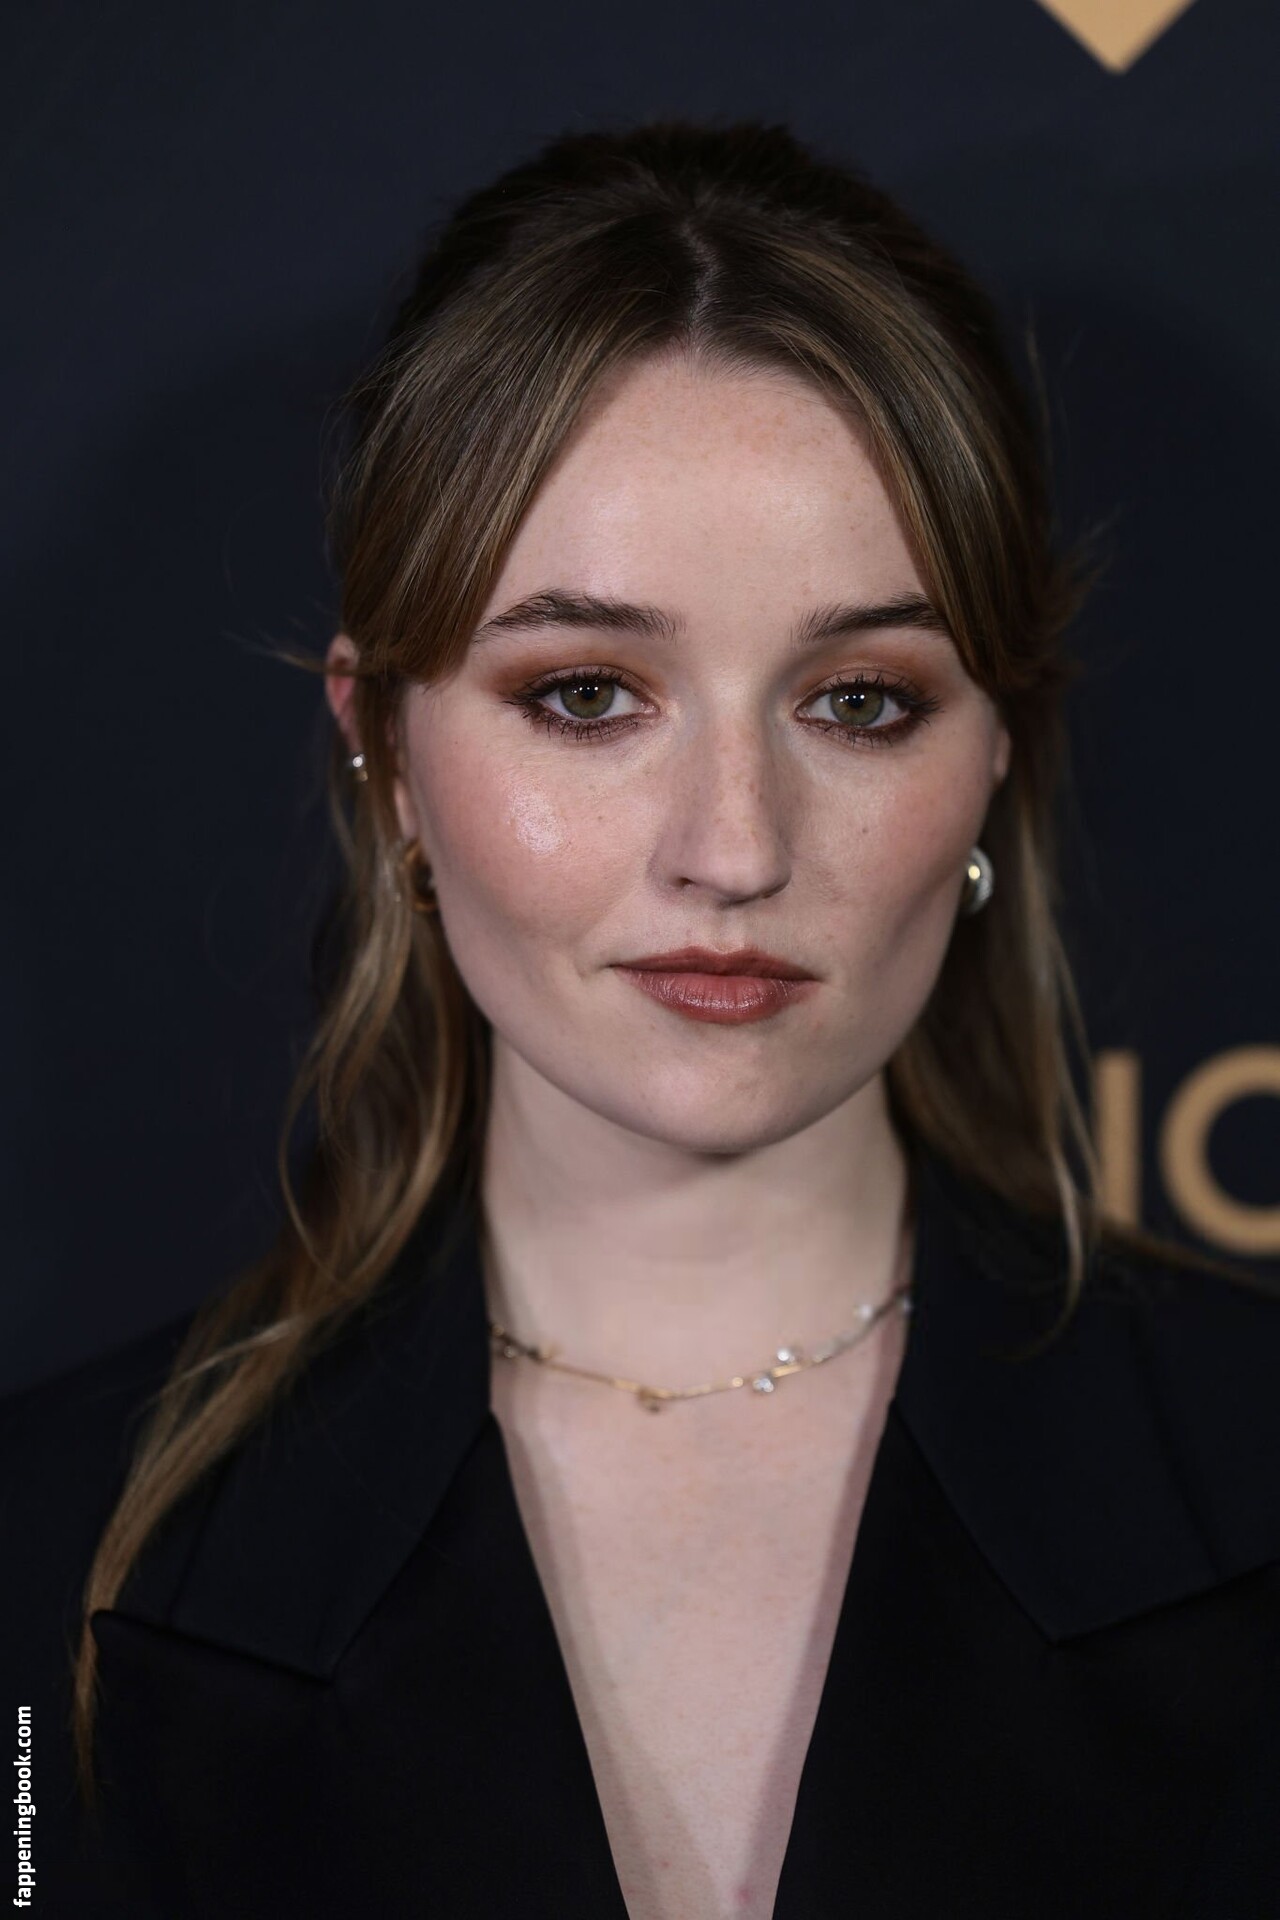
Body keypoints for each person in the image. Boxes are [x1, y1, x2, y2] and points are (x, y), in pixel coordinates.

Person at [3, 118, 1279, 1920]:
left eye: (860, 700)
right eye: (588, 695)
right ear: (388, 752)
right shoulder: (45, 1556)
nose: (734, 849)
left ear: (999, 750)